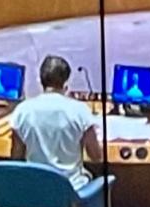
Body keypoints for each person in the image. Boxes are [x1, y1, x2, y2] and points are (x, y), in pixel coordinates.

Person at [8, 56, 101, 189]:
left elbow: (16, 158)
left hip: (34, 189)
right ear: (66, 82)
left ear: (41, 80)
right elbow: (96, 156)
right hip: (71, 190)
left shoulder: (22, 111)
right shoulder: (80, 111)